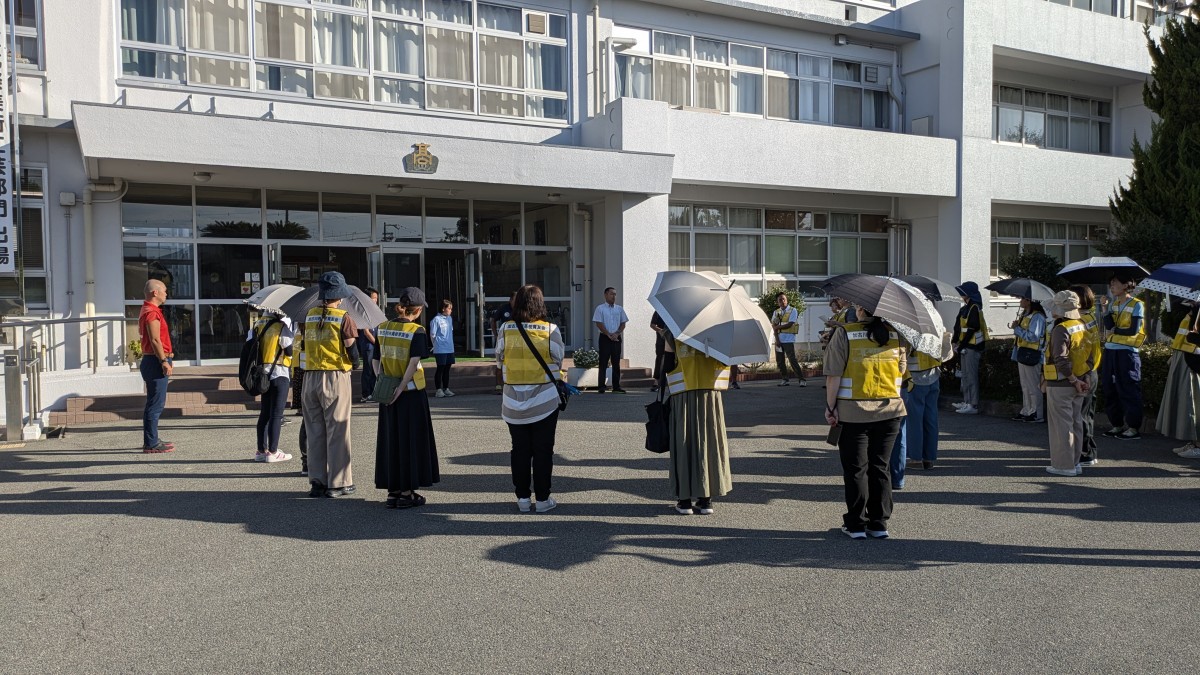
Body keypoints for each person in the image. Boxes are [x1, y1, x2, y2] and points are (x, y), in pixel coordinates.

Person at [824, 305, 907, 539]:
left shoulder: (845, 333)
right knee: (880, 467)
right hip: (890, 409)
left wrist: (830, 407)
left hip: (853, 412)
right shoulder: (895, 335)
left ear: (861, 310)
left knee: (856, 469)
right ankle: (879, 523)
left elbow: (833, 374)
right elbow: (901, 370)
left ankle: (856, 524)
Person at [497, 284, 565, 513]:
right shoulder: (550, 329)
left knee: (519, 450)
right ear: (539, 303)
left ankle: (523, 499)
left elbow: (499, 359)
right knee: (543, 450)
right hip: (544, 399)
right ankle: (544, 499)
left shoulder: (506, 329)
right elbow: (558, 358)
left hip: (513, 400)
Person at [656, 325, 732, 515]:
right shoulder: (719, 329)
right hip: (710, 395)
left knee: (684, 443)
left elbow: (666, 365)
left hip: (683, 394)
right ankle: (706, 500)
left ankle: (684, 501)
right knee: (709, 443)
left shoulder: (673, 328)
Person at [375, 287, 440, 508]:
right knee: (410, 442)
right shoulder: (417, 331)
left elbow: (376, 360)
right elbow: (414, 362)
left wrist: (383, 383)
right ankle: (406, 493)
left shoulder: (383, 328)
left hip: (387, 392)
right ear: (418, 309)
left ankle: (393, 491)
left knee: (391, 440)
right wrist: (401, 387)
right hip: (410, 393)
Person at [302, 271, 358, 498]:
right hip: (334, 376)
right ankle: (339, 483)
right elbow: (352, 349)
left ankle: (317, 481)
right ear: (340, 295)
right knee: (338, 430)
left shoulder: (309, 316)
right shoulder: (344, 318)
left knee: (314, 431)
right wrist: (355, 364)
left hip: (310, 378)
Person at [1041, 291, 1094, 476]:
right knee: (1076, 423)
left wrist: (1072, 379)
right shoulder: (1081, 325)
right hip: (1080, 380)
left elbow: (1060, 359)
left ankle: (1064, 465)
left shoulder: (1060, 329)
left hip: (1061, 382)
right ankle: (1075, 462)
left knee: (1061, 426)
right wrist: (1084, 377)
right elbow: (1090, 354)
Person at [891, 333, 951, 489]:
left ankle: (916, 458)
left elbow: (905, 351)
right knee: (931, 417)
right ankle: (929, 458)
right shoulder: (934, 322)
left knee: (914, 420)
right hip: (933, 373)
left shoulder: (909, 327)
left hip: (915, 376)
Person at [1099, 273, 1145, 440]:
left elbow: (1133, 330)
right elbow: (1109, 325)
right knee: (1110, 388)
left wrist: (1114, 330)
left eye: (1115, 283)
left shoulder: (1137, 304)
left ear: (1126, 285)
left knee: (1128, 388)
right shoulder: (1114, 303)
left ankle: (1133, 427)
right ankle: (1116, 425)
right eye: (1110, 284)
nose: (1111, 286)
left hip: (1127, 352)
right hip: (1111, 350)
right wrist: (1104, 308)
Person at [248, 311, 294, 463]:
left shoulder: (256, 326)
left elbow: (250, 346)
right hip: (279, 373)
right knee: (276, 414)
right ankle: (273, 451)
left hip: (263, 375)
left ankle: (261, 450)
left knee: (265, 414)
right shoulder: (281, 327)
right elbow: (289, 350)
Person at [1157, 302, 1200, 458]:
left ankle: (1198, 446)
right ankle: (1194, 442)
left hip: (1193, 361)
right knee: (1188, 403)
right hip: (1185, 358)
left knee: (1193, 403)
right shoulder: (1195, 309)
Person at [138, 279, 175, 453]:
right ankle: (151, 444)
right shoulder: (151, 312)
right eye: (165, 291)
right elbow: (154, 340)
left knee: (154, 402)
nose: (166, 294)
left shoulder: (148, 310)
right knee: (155, 404)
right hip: (155, 361)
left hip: (152, 360)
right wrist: (163, 361)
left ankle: (152, 439)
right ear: (155, 293)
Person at [1072, 284, 1102, 465]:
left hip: (1084, 371)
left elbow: (1081, 349)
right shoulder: (1090, 316)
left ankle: (1085, 452)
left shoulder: (1081, 320)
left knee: (1081, 414)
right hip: (1092, 369)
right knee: (1087, 413)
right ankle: (1089, 451)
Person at [951, 281, 988, 415]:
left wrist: (961, 345)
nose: (961, 295)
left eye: (963, 293)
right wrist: (955, 342)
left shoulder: (974, 307)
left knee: (971, 376)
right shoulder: (966, 308)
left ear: (969, 294)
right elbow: (958, 327)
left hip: (972, 347)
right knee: (965, 376)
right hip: (965, 346)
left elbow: (973, 328)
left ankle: (973, 404)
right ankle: (967, 401)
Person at [1009, 298, 1047, 423]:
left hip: (1032, 354)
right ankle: (1027, 410)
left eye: (1023, 299)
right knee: (1025, 385)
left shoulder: (1038, 317)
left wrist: (1017, 329)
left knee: (1033, 385)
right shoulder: (1025, 315)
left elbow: (1033, 336)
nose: (1020, 301)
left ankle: (1037, 413)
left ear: (1030, 301)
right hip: (1023, 352)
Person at [593, 287, 629, 393]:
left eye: (615, 294)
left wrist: (617, 333)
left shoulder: (619, 309)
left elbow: (623, 322)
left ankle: (616, 386)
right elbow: (598, 323)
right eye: (611, 294)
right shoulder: (600, 308)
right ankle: (601, 386)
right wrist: (608, 334)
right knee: (603, 362)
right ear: (605, 295)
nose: (614, 296)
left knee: (616, 362)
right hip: (605, 338)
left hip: (616, 337)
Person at [771, 292, 807, 387]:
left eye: (783, 299)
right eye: (780, 300)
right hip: (779, 339)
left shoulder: (792, 310)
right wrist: (777, 340)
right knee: (780, 361)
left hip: (788, 340)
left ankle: (802, 379)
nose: (782, 301)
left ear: (786, 300)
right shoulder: (776, 312)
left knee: (792, 360)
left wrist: (777, 327)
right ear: (777, 302)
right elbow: (773, 326)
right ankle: (785, 379)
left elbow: (790, 323)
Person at [357, 287, 380, 403]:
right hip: (368, 346)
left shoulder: (374, 310)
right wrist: (376, 343)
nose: (375, 300)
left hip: (373, 345)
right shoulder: (363, 311)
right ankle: (366, 394)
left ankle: (372, 392)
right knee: (368, 370)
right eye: (373, 298)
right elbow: (366, 332)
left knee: (373, 369)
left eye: (376, 298)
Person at [430, 299, 456, 398]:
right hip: (440, 348)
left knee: (447, 369)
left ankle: (446, 388)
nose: (450, 310)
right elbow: (432, 335)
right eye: (449, 308)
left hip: (449, 348)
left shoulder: (449, 319)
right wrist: (435, 345)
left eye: (451, 308)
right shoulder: (436, 319)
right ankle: (438, 389)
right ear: (443, 308)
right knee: (440, 368)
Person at [490, 298, 514, 394]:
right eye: (515, 300)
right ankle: (499, 386)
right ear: (510, 300)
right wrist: (496, 334)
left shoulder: (521, 309)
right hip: (504, 339)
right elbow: (493, 320)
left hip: (515, 341)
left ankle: (511, 384)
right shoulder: (504, 308)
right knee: (500, 363)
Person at [650, 311, 667, 392]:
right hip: (661, 339)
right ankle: (656, 381)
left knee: (673, 359)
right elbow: (652, 325)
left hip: (672, 339)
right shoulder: (658, 311)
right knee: (659, 359)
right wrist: (660, 330)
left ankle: (671, 382)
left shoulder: (674, 309)